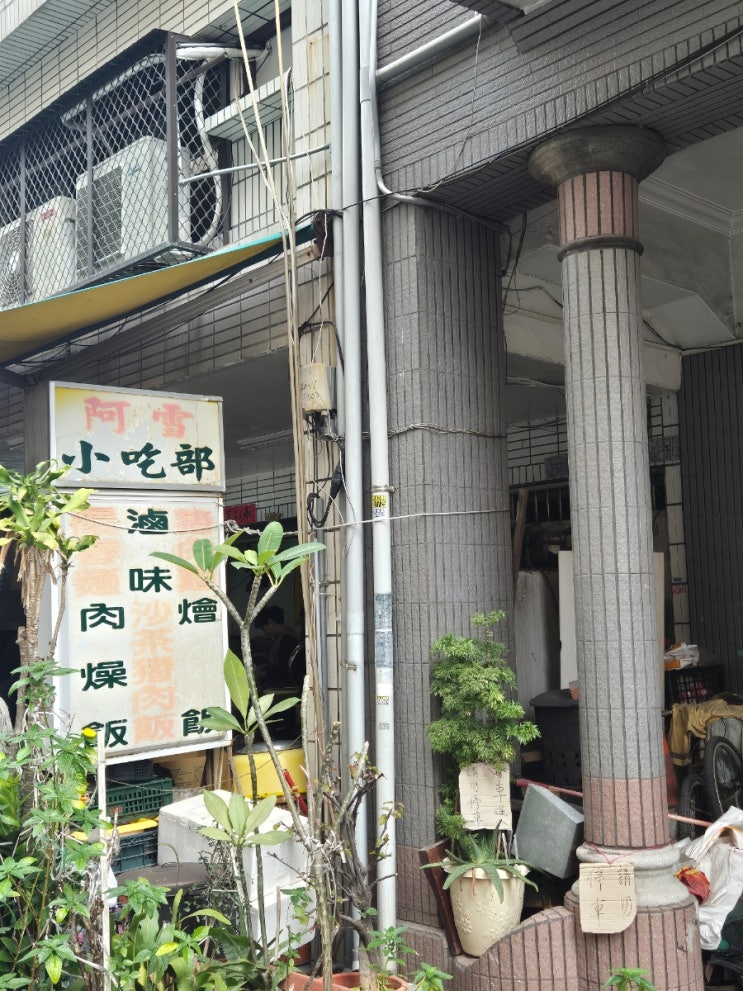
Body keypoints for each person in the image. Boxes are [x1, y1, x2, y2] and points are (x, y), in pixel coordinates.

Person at [253, 605, 303, 688]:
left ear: (271, 623)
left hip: (284, 685)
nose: (265, 632)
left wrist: (263, 674)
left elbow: (283, 668)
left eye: (263, 629)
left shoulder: (287, 639)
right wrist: (263, 668)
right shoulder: (283, 636)